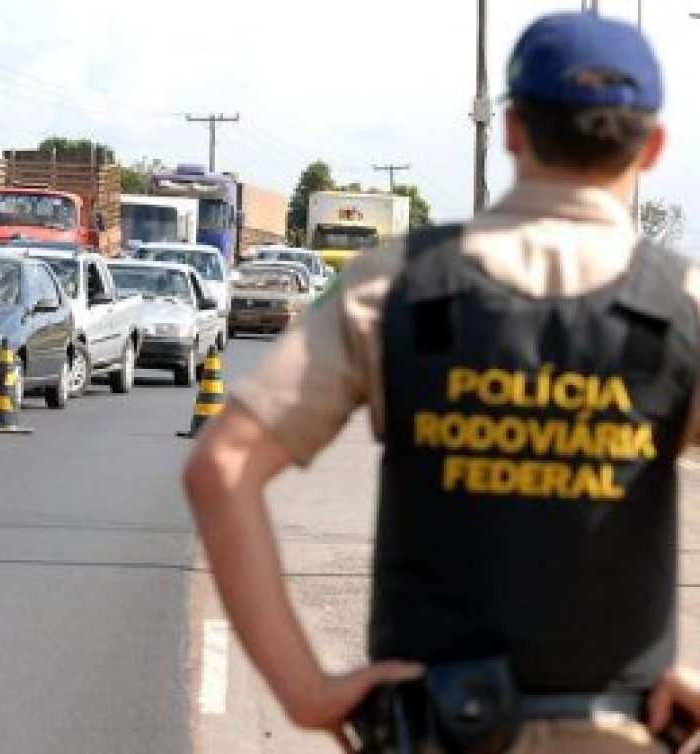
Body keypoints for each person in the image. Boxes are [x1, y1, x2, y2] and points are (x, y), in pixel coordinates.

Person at [184, 12, 700, 754]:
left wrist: (307, 692)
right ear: (652, 146)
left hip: (431, 729)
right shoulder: (682, 305)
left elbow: (220, 466)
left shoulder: (395, 285)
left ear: (515, 129)